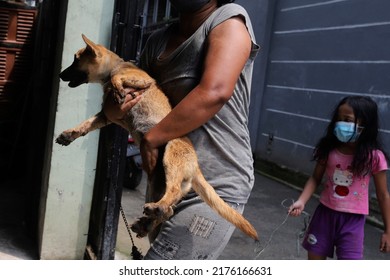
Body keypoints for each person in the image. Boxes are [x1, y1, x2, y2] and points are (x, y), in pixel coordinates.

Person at [108, 0, 259, 259]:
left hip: (215, 183)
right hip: (167, 184)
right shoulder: (158, 41)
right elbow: (114, 109)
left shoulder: (229, 19)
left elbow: (214, 92)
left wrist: (151, 139)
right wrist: (118, 99)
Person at [289, 96, 390, 260]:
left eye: (347, 120)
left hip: (353, 222)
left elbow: (383, 195)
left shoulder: (374, 157)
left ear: (366, 124)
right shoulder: (328, 150)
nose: (341, 123)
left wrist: (388, 231)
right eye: (339, 119)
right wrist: (301, 201)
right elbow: (315, 178)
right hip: (324, 216)